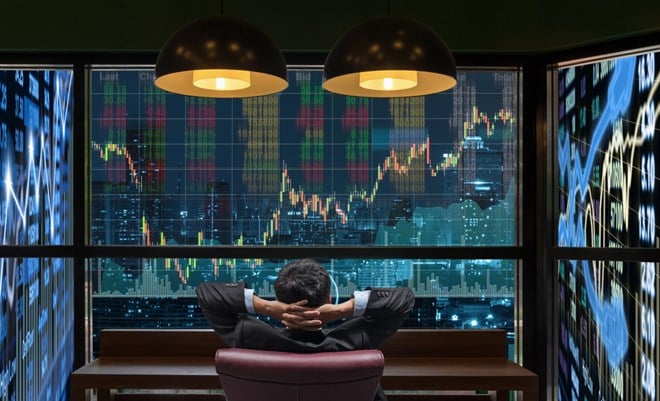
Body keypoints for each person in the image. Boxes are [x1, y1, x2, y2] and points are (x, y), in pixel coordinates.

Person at [196, 258, 415, 401]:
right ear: (328, 299)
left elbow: (206, 293)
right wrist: (341, 310)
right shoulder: (355, 342)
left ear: (280, 301)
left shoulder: (251, 337)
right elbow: (404, 299)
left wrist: (267, 307)